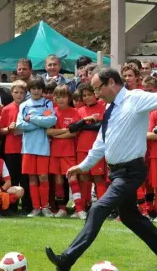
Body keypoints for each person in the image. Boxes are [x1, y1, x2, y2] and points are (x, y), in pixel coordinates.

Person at [45, 67, 157, 271]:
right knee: (131, 217)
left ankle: (66, 260)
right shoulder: (110, 108)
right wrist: (83, 166)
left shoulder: (135, 98)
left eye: (98, 89)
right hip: (117, 173)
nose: (97, 94)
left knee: (97, 209)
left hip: (131, 171)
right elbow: (101, 143)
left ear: (111, 83)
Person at [16, 76, 57, 217]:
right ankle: (36, 207)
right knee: (32, 178)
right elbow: (19, 125)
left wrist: (32, 118)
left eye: (39, 88)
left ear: (42, 90)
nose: (36, 91)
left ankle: (45, 207)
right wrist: (40, 123)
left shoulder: (47, 104)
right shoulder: (24, 105)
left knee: (43, 176)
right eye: (33, 88)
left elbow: (51, 120)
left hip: (43, 146)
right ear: (30, 89)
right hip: (28, 147)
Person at [68, 83, 107, 216]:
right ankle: (83, 208)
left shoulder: (102, 107)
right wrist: (87, 119)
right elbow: (72, 128)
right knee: (83, 177)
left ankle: (102, 209)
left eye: (89, 95)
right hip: (82, 148)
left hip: (97, 148)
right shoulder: (80, 110)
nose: (87, 98)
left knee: (98, 178)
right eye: (84, 96)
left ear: (95, 95)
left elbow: (100, 126)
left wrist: (82, 125)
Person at [47, 85, 83, 218]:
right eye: (57, 96)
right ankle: (62, 208)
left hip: (69, 151)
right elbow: (47, 131)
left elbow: (74, 133)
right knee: (58, 180)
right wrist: (64, 130)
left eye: (63, 96)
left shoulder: (75, 112)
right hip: (55, 151)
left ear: (69, 98)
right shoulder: (50, 112)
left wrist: (57, 135)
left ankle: (79, 209)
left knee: (72, 179)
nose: (60, 99)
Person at [0, 80, 31, 214]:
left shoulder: (29, 107)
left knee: (26, 178)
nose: (18, 95)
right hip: (11, 148)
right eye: (16, 92)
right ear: (11, 93)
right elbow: (0, 130)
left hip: (26, 147)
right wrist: (8, 128)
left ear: (25, 94)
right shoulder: (6, 109)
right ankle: (11, 205)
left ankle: (26, 206)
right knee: (12, 178)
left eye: (21, 93)